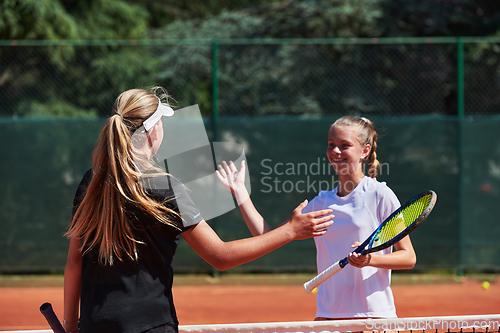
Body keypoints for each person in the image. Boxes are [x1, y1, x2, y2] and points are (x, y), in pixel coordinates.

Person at [62, 86, 334, 333]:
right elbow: (220, 256)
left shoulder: (92, 181)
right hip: (151, 326)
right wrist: (290, 230)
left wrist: (70, 325)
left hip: (93, 327)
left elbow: (75, 262)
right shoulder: (164, 186)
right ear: (153, 130)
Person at [216, 116, 416, 321]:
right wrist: (240, 193)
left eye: (344, 145)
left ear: (364, 151)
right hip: (328, 317)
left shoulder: (380, 195)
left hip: (373, 316)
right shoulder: (321, 203)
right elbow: (265, 235)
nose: (335, 151)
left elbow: (408, 257)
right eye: (331, 145)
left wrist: (370, 260)